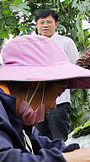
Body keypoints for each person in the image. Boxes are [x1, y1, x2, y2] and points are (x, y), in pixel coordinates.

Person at [32, 9, 80, 140]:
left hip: (59, 101)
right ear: (36, 25)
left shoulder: (66, 43)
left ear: (56, 24)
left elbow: (75, 66)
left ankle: (62, 161)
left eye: (49, 22)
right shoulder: (31, 45)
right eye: (41, 22)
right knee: (41, 140)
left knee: (59, 140)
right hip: (37, 102)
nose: (45, 25)